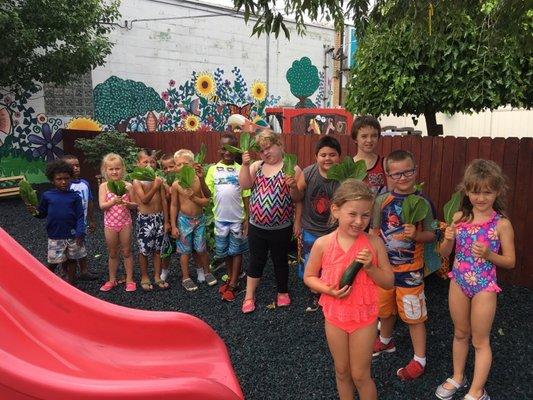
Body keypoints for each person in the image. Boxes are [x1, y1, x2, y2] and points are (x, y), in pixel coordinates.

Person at [304, 179, 394, 400]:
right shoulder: (323, 244)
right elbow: (309, 277)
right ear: (335, 210)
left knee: (361, 375)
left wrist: (370, 268)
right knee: (342, 372)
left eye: (365, 215)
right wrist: (328, 290)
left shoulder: (374, 244)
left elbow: (389, 281)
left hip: (364, 318)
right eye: (352, 214)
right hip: (335, 316)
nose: (359, 221)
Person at [435, 159, 515, 400]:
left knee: (480, 340)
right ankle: (458, 376)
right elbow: (444, 254)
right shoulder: (459, 217)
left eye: (487, 192)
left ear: (498, 191)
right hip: (458, 281)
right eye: (475, 192)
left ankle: (477, 391)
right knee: (460, 333)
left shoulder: (502, 224)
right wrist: (448, 238)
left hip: (484, 286)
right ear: (467, 190)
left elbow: (510, 261)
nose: (480, 198)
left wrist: (490, 254)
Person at [371, 150, 436, 381]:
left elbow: (432, 234)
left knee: (413, 315)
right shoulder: (381, 201)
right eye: (396, 174)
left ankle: (420, 359)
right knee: (384, 309)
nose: (403, 177)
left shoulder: (423, 202)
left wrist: (417, 235)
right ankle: (386, 341)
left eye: (408, 171)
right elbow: (374, 232)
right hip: (385, 269)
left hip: (411, 271)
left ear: (415, 170)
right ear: (387, 175)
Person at [239, 130, 302, 313]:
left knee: (280, 260)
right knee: (255, 260)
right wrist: (244, 165)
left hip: (281, 227)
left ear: (280, 145)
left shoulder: (292, 168)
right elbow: (245, 185)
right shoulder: (257, 167)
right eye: (261, 150)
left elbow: (298, 199)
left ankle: (282, 292)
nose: (266, 153)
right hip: (257, 226)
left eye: (269, 147)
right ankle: (249, 295)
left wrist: (293, 186)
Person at [293, 135, 341, 312]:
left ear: (339, 157)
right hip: (310, 228)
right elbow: (297, 198)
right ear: (316, 156)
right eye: (323, 154)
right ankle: (315, 296)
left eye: (332, 154)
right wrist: (292, 187)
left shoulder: (343, 176)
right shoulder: (308, 173)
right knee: (311, 264)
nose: (328, 158)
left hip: (333, 230)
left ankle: (329, 294)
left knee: (331, 264)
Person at [205, 133, 250, 302]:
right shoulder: (212, 170)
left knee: (236, 251)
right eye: (224, 148)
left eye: (231, 148)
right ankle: (232, 276)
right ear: (219, 150)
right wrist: (201, 178)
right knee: (225, 252)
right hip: (220, 219)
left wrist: (247, 218)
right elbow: (207, 193)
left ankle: (233, 284)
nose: (227, 152)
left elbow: (246, 195)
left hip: (237, 218)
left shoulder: (241, 169)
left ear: (236, 149)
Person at [26, 160, 86, 284]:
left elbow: (80, 216)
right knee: (53, 261)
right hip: (55, 235)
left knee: (72, 260)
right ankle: (46, 282)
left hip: (73, 235)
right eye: (59, 179)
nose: (63, 182)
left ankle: (71, 284)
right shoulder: (47, 196)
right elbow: (42, 214)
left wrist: (80, 232)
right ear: (52, 180)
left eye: (66, 178)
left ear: (70, 178)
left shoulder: (75, 197)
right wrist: (33, 211)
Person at [170, 149, 217, 292]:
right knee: (184, 251)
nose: (182, 167)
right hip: (184, 221)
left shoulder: (197, 180)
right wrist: (173, 225)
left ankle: (207, 272)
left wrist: (201, 180)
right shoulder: (176, 184)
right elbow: (174, 205)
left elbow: (207, 199)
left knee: (201, 248)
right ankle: (185, 277)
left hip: (200, 220)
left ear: (192, 165)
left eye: (185, 163)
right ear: (175, 167)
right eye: (178, 164)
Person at [98, 153, 138, 292]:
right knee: (113, 253)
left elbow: (135, 205)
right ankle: (112, 279)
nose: (114, 171)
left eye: (117, 168)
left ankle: (129, 279)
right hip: (110, 224)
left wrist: (127, 203)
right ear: (105, 170)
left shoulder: (128, 186)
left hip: (125, 223)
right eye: (111, 169)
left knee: (127, 251)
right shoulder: (104, 186)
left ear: (123, 169)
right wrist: (113, 201)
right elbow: (102, 206)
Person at [132, 149, 170, 291]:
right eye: (145, 161)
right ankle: (144, 276)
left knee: (158, 250)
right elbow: (144, 200)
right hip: (145, 220)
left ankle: (157, 275)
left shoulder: (157, 179)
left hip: (159, 218)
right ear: (138, 163)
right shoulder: (137, 181)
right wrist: (156, 186)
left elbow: (164, 202)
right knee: (144, 250)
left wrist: (166, 221)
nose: (149, 164)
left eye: (152, 162)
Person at [61, 154, 97, 281]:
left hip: (82, 223)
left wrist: (91, 220)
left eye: (77, 165)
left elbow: (90, 201)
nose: (75, 168)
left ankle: (84, 271)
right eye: (72, 166)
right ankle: (67, 273)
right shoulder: (65, 185)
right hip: (67, 224)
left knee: (81, 246)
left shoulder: (85, 183)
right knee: (66, 248)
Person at [352, 115, 387, 194]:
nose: (369, 140)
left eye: (374, 136)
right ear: (355, 139)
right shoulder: (349, 165)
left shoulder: (384, 163)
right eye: (364, 136)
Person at [159, 153, 177, 282]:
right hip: (168, 219)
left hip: (182, 218)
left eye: (171, 166)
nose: (169, 170)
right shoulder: (162, 183)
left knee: (188, 247)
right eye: (165, 168)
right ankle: (164, 271)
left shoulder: (182, 181)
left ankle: (198, 270)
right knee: (166, 246)